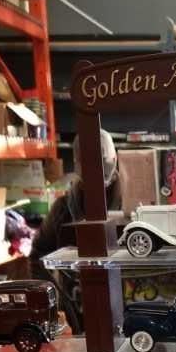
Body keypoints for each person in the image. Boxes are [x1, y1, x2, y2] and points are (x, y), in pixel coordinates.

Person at [30, 129, 119, 331]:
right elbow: (38, 256)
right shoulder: (63, 209)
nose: (97, 174)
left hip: (128, 301)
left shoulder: (133, 199)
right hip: (78, 307)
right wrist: (54, 300)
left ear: (114, 159)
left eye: (101, 163)